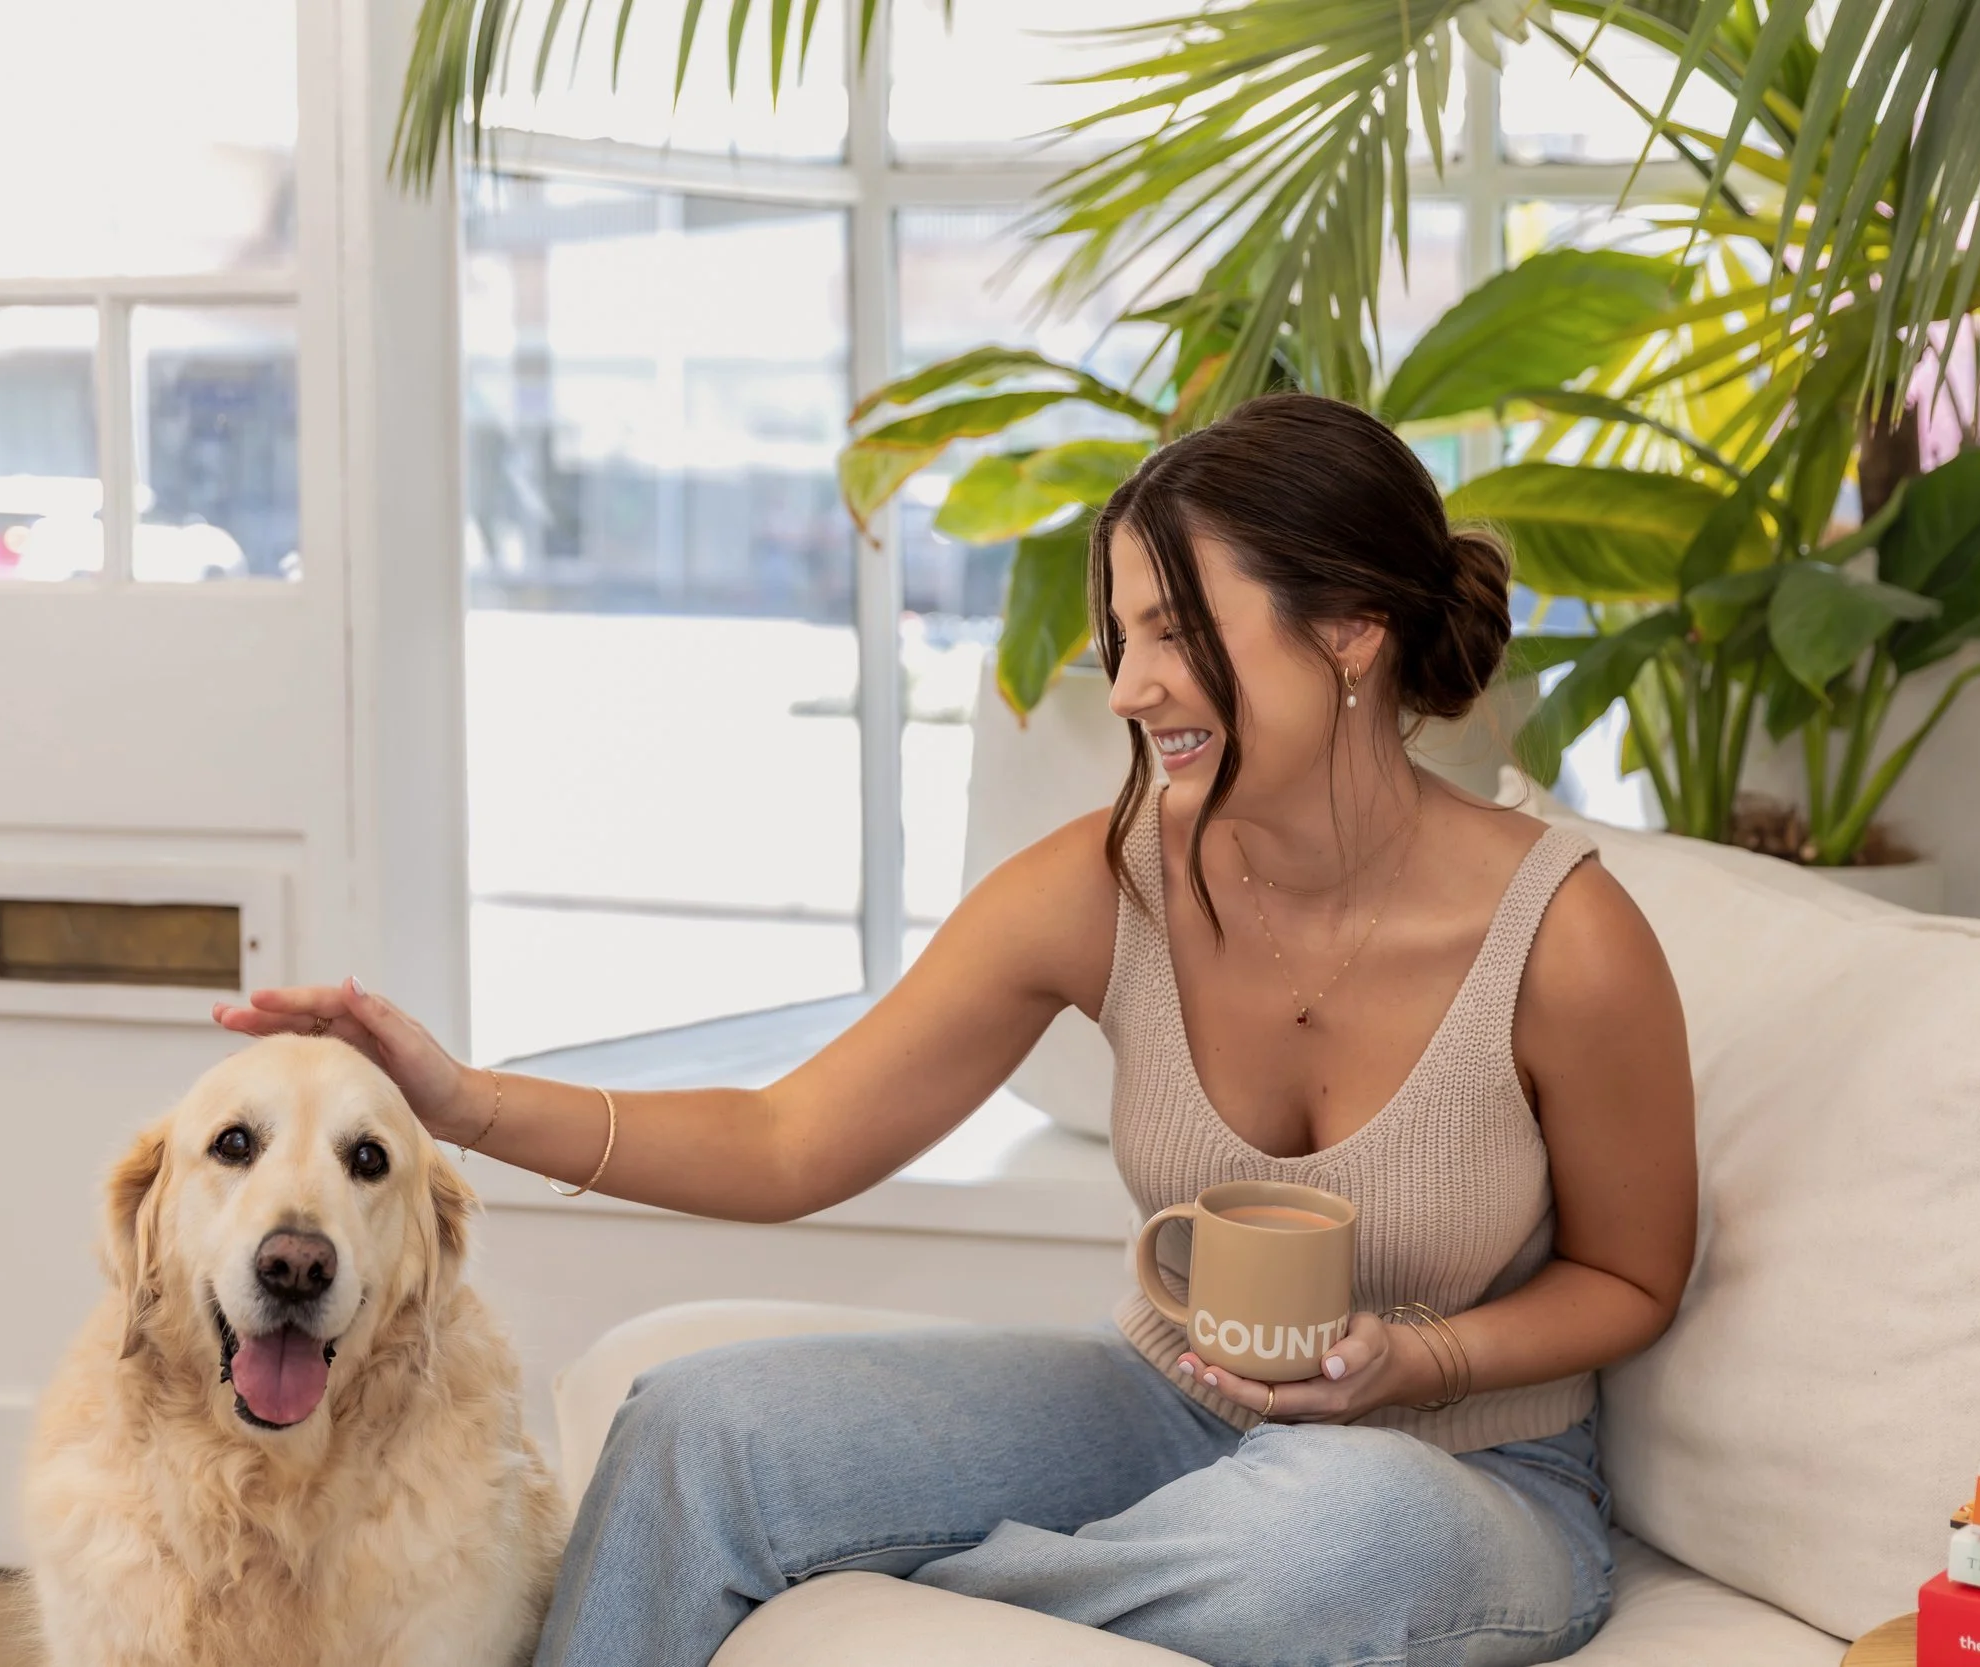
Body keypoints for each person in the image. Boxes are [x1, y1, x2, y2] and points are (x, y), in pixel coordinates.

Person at [216, 391, 1697, 1667]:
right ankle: (918, 1560)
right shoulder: (1103, 882)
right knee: (698, 1427)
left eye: (1178, 633)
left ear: (1353, 633)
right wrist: (459, 1101)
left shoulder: (1563, 938)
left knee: (1338, 1527)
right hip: (1167, 1412)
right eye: (1123, 636)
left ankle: (895, 1584)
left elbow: (1636, 1273)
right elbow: (791, 1137)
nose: (1129, 688)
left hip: (1472, 1477)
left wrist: (1416, 1365)